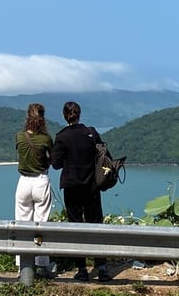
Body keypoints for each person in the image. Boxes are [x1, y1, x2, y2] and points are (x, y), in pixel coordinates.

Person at [50, 101, 112, 282]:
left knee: (75, 226)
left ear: (64, 115)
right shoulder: (91, 133)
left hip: (72, 187)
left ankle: (82, 269)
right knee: (96, 225)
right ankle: (101, 268)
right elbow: (104, 156)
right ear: (79, 114)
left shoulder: (62, 137)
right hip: (91, 187)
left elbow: (55, 164)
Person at [14, 102, 55, 278]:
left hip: (23, 182)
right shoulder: (46, 139)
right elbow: (51, 159)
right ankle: (42, 264)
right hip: (40, 181)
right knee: (41, 224)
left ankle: (22, 265)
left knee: (22, 223)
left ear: (27, 117)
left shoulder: (19, 137)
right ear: (43, 118)